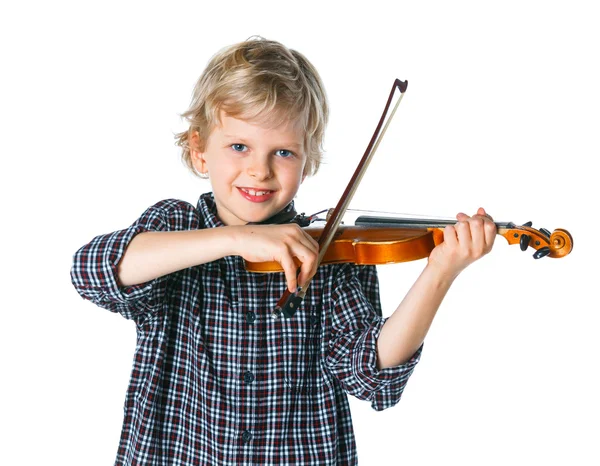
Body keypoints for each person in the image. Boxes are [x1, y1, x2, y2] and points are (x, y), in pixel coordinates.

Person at [71, 37, 496, 465]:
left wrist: (439, 272)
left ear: (308, 160)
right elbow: (92, 271)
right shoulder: (174, 229)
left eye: (284, 152)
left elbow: (373, 376)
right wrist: (235, 239)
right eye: (239, 146)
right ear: (199, 150)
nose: (260, 169)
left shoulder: (327, 254)